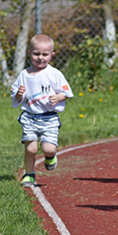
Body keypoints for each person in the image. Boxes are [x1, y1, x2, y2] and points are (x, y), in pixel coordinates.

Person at [11, 34, 74, 188]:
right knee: (31, 148)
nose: (40, 58)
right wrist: (19, 93)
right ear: (29, 53)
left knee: (48, 148)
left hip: (49, 118)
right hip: (30, 117)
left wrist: (58, 97)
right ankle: (29, 174)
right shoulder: (24, 75)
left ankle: (50, 157)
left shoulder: (54, 74)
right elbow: (16, 96)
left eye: (45, 54)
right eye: (36, 53)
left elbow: (67, 92)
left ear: (51, 55)